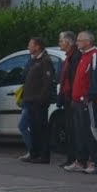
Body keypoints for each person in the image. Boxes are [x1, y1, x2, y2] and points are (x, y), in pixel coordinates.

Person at [60, 31, 97, 174]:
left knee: (91, 131)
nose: (77, 42)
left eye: (79, 40)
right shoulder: (83, 56)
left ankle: (94, 162)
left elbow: (96, 78)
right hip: (77, 100)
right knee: (80, 132)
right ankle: (81, 160)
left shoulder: (94, 56)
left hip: (86, 102)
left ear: (88, 42)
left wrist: (89, 97)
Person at [18, 36, 56, 164]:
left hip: (38, 101)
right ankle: (34, 153)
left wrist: (41, 98)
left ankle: (43, 155)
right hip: (30, 100)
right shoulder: (34, 60)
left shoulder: (45, 61)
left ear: (37, 46)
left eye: (31, 45)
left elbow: (47, 82)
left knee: (41, 128)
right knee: (33, 128)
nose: (28, 47)